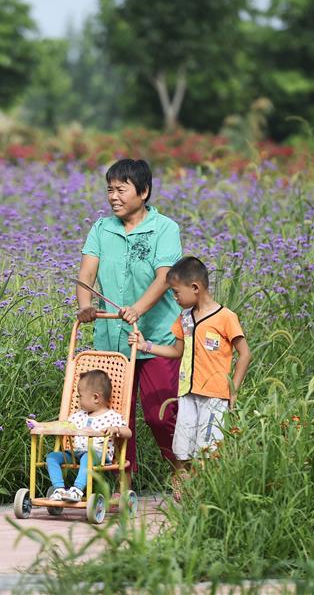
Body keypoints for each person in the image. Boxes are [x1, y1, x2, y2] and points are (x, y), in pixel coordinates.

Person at [77, 158, 183, 482]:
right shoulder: (101, 228)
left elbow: (165, 277)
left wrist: (137, 308)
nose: (113, 197)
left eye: (121, 190)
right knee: (117, 417)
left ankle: (181, 468)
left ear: (144, 191)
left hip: (155, 338)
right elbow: (87, 275)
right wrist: (85, 307)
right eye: (109, 190)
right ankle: (123, 482)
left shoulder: (165, 229)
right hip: (112, 340)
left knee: (159, 414)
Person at [128, 256, 252, 500]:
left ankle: (208, 494)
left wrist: (232, 390)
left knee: (209, 448)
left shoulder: (226, 317)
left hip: (215, 395)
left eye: (176, 292)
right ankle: (185, 487)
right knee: (183, 446)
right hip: (187, 394)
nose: (174, 298)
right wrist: (146, 346)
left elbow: (245, 354)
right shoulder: (184, 318)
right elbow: (177, 351)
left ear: (195, 287)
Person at [27, 370, 132, 502]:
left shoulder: (112, 417)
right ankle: (59, 489)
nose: (78, 400)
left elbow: (128, 432)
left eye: (80, 396)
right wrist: (40, 425)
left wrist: (115, 429)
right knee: (52, 457)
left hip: (98, 455)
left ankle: (77, 490)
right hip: (76, 453)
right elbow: (62, 425)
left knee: (88, 456)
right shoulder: (79, 416)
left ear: (95, 398)